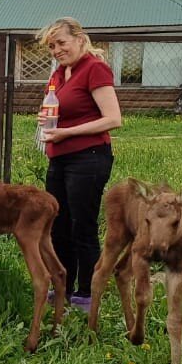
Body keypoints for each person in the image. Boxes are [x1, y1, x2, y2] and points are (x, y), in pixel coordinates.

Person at [36, 17, 122, 311]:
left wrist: (66, 132)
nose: (57, 50)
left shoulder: (94, 69)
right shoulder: (60, 74)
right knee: (57, 225)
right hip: (58, 157)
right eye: (51, 46)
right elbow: (60, 109)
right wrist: (49, 122)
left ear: (80, 39)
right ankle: (63, 287)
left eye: (61, 43)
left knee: (81, 225)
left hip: (89, 156)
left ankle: (87, 292)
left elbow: (113, 118)